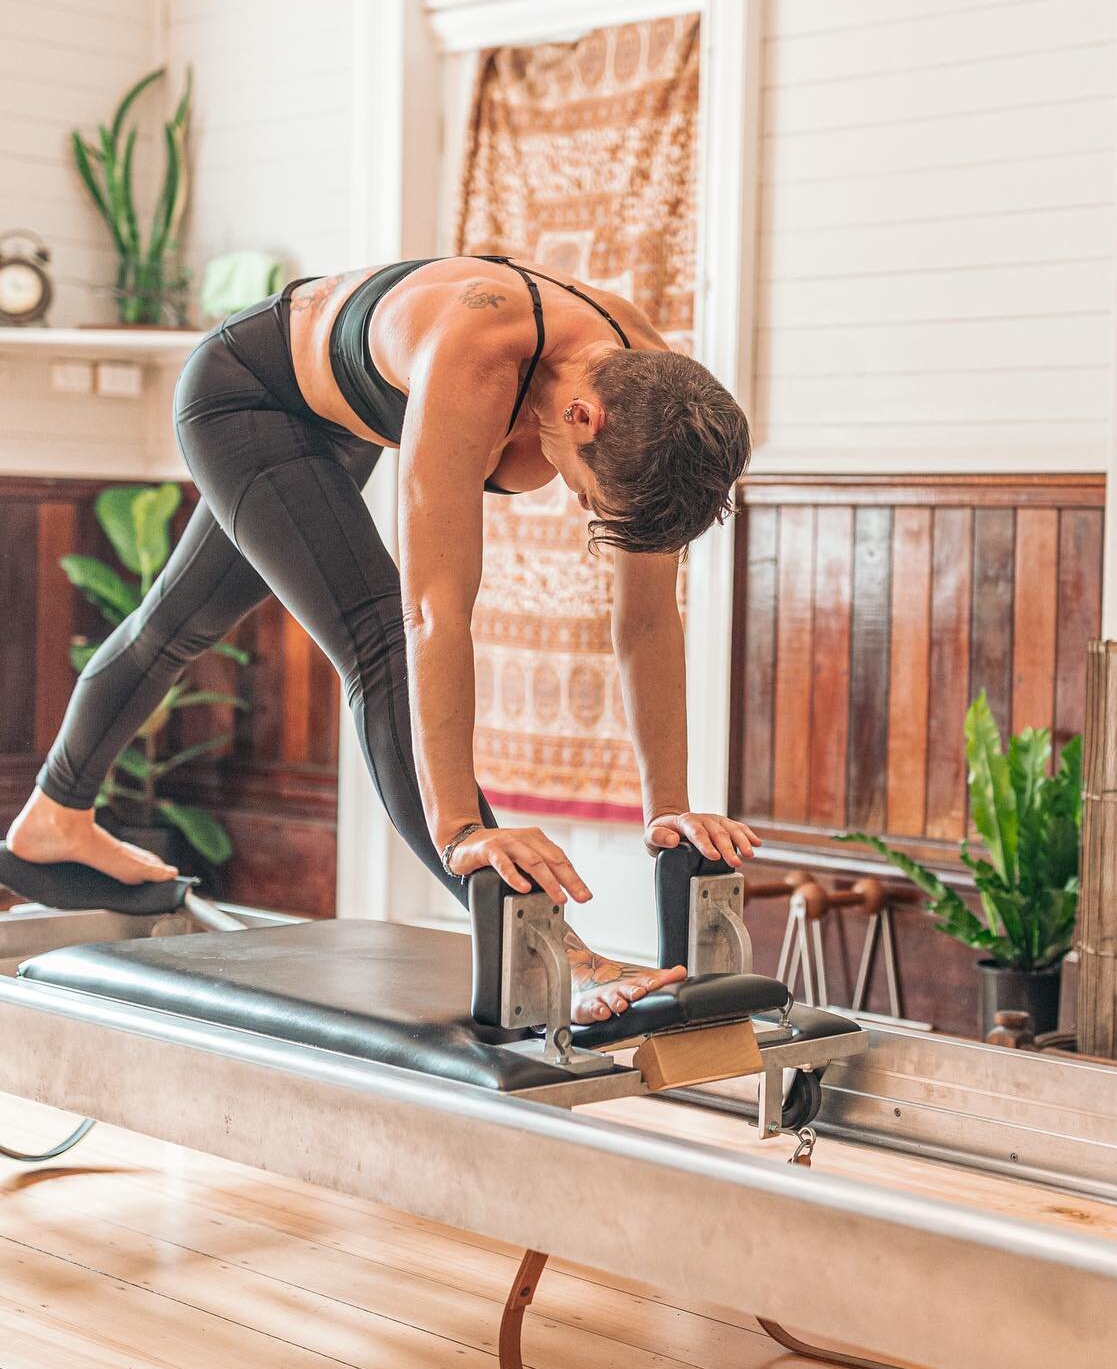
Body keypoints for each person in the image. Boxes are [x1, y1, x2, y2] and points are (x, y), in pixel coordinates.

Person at [6, 255, 760, 1024]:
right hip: (245, 397)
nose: (579, 503)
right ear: (583, 416)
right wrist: (460, 828)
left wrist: (670, 808)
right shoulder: (476, 354)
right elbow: (432, 612)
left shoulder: (657, 405)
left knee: (176, 621)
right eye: (588, 497)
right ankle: (555, 947)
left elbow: (645, 617)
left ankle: (53, 818)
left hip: (336, 422)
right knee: (376, 638)